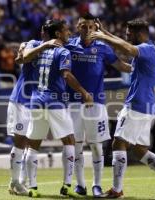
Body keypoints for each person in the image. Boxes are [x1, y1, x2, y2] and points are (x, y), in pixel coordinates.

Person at [90, 18, 155, 199]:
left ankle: (117, 191)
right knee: (139, 150)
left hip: (137, 104)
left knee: (118, 142)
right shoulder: (151, 50)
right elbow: (126, 46)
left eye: (129, 34)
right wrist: (105, 32)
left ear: (140, 34)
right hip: (147, 106)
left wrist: (103, 36)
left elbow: (126, 48)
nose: (127, 37)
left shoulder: (146, 50)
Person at [64, 13, 132, 197]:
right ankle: (80, 184)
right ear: (78, 27)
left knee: (96, 145)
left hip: (97, 104)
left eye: (91, 26)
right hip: (73, 103)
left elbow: (122, 66)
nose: (87, 30)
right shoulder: (68, 45)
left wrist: (148, 68)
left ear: (96, 27)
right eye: (83, 26)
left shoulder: (103, 47)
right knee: (76, 144)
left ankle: (97, 185)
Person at [23, 19, 93, 198]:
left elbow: (23, 58)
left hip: (36, 101)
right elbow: (67, 75)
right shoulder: (63, 52)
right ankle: (67, 186)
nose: (69, 33)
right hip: (55, 102)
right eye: (66, 31)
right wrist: (84, 92)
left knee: (33, 145)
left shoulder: (39, 49)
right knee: (70, 141)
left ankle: (33, 187)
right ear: (57, 34)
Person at [7, 21, 52, 195]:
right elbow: (21, 58)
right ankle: (15, 182)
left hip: (38, 102)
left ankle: (19, 182)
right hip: (22, 100)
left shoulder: (58, 50)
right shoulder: (32, 44)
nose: (42, 33)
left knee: (31, 143)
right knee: (20, 141)